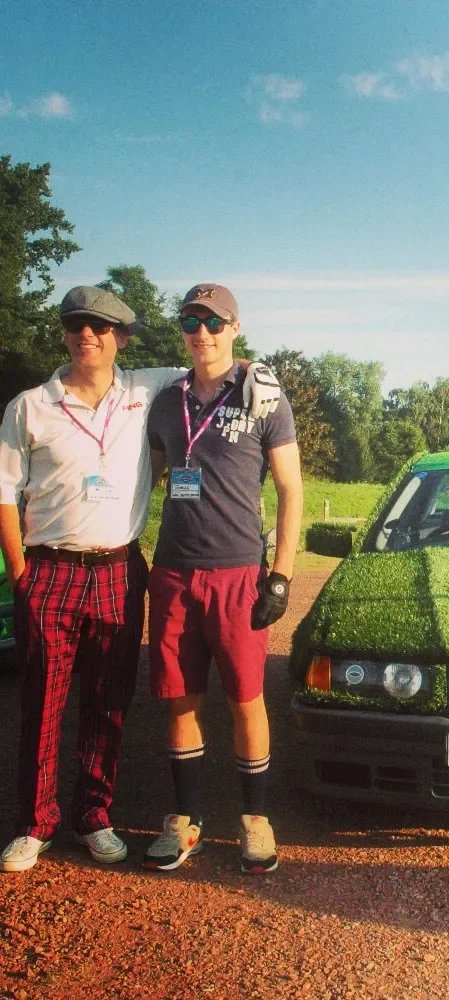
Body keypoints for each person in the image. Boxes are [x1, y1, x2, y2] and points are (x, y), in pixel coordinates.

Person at [0, 286, 281, 873]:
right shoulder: (32, 405)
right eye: (77, 325)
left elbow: (216, 363)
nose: (88, 336)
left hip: (121, 570)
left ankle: (95, 818)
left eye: (101, 328)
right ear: (65, 333)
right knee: (42, 703)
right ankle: (36, 823)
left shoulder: (142, 387)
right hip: (53, 566)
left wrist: (261, 370)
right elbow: (4, 494)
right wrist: (22, 576)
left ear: (121, 338)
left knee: (110, 703)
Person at [142, 283, 302, 875]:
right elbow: (145, 475)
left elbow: (290, 489)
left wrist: (280, 576)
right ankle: (186, 821)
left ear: (234, 328)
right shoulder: (165, 400)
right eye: (191, 322)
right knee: (180, 700)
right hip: (175, 572)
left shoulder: (264, 397)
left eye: (214, 323)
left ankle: (255, 819)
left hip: (237, 573)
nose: (201, 333)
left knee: (246, 698)